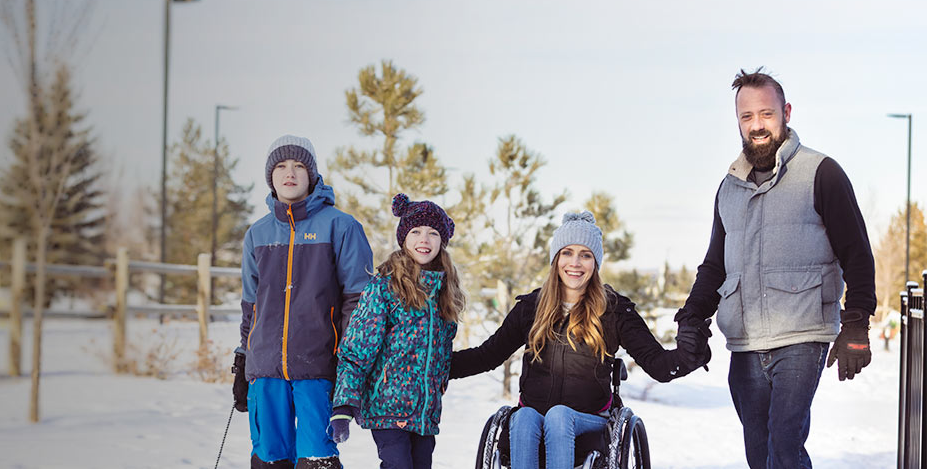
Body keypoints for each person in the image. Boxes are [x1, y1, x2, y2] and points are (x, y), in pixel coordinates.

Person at [673, 68, 877, 469]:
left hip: (803, 334)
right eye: (747, 117)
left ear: (785, 112)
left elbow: (857, 253)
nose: (757, 125)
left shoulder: (821, 173)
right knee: (759, 453)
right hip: (746, 343)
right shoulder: (728, 187)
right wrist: (692, 316)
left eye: (766, 114)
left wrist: (857, 323)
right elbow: (716, 264)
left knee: (784, 445)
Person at [450, 211, 711, 469]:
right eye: (567, 252)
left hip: (590, 418)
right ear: (556, 259)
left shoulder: (614, 311)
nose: (575, 263)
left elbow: (659, 364)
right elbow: (488, 355)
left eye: (585, 255)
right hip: (533, 415)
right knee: (525, 417)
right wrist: (436, 364)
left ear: (595, 263)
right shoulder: (531, 308)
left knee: (559, 416)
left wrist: (689, 353)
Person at [232, 135, 375, 469]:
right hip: (266, 367)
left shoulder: (341, 227)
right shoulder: (258, 234)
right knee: (269, 458)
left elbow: (359, 301)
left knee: (317, 459)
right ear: (271, 176)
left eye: (298, 165)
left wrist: (349, 362)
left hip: (319, 366)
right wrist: (243, 357)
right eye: (281, 166)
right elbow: (250, 304)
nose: (289, 173)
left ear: (312, 174)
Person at [328, 194, 465, 469]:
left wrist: (438, 386)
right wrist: (343, 404)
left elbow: (442, 355)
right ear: (404, 238)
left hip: (425, 413)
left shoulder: (444, 294)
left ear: (443, 241)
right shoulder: (384, 288)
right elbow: (357, 349)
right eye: (415, 231)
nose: (424, 240)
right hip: (387, 408)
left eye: (432, 233)